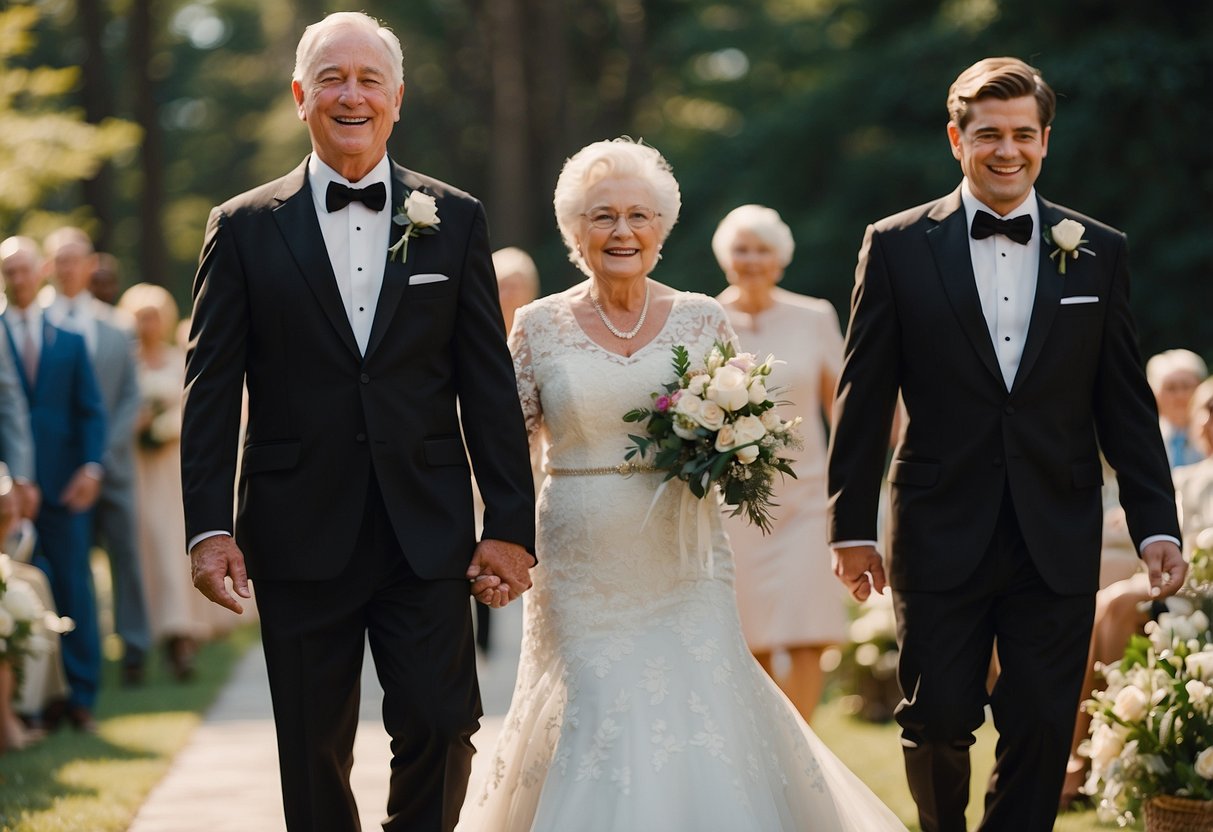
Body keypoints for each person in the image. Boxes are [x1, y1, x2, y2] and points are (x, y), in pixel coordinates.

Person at [460, 138, 907, 832]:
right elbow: (500, 445)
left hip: (685, 557)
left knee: (695, 705)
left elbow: (744, 421)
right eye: (602, 215)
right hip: (579, 566)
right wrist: (497, 538)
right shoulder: (537, 325)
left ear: (662, 228)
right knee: (597, 709)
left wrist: (739, 450)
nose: (622, 231)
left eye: (639, 215)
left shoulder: (702, 318)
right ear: (574, 229)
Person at [180, 12, 536, 832]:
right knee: (311, 748)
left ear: (397, 99)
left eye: (369, 79)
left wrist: (510, 522)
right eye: (332, 79)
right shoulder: (240, 228)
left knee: (444, 723)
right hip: (296, 527)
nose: (351, 95)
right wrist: (208, 528)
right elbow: (209, 389)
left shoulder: (456, 218)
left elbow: (485, 384)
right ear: (301, 95)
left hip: (426, 527)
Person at [826, 57, 1185, 832]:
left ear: (1044, 142)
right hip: (936, 522)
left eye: (1022, 134)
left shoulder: (1097, 250)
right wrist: (851, 528)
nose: (1006, 150)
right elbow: (861, 399)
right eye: (988, 134)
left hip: (1054, 527)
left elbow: (1124, 401)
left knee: (1040, 721)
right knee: (937, 717)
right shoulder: (893, 246)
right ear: (956, 139)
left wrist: (1157, 521)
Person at [712, 204, 845, 722]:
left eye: (762, 249)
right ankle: (772, 747)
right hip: (736, 502)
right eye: (742, 249)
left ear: (780, 258)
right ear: (726, 257)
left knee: (809, 626)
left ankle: (807, 748)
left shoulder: (815, 317)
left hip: (809, 498)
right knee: (752, 633)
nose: (751, 260)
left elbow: (844, 406)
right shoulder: (704, 318)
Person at [0, 236, 107, 733]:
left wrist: (91, 467)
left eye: (24, 270)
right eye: (8, 272)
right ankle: (30, 701)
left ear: (38, 273)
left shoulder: (68, 339)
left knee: (73, 586)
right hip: (8, 493)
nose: (18, 280)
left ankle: (81, 695)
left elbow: (91, 411)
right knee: (21, 591)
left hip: (65, 486)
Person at [42, 227, 151, 686]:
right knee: (68, 564)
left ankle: (134, 647)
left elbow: (132, 397)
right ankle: (70, 656)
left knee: (126, 556)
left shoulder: (116, 325)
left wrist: (98, 455)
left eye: (76, 259)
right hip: (57, 472)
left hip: (115, 467)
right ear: (50, 266)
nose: (68, 268)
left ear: (91, 265)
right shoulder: (35, 323)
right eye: (60, 260)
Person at [118, 283, 215, 680]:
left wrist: (168, 427)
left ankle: (181, 636)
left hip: (172, 468)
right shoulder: (128, 364)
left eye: (153, 316)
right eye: (140, 317)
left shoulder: (180, 361)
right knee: (143, 550)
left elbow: (193, 409)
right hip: (139, 469)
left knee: (172, 547)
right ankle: (146, 635)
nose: (148, 324)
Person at [471, 246, 543, 655]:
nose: (509, 292)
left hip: (529, 457)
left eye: (516, 285)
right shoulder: (477, 328)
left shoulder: (540, 330)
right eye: (502, 284)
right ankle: (481, 629)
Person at [1147, 348, 1208, 468]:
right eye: (1171, 388)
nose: (1180, 396)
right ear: (1155, 394)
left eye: (1186, 386)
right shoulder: (1146, 439)